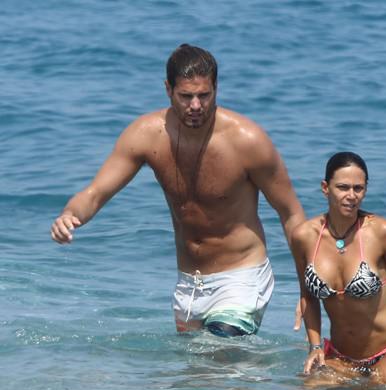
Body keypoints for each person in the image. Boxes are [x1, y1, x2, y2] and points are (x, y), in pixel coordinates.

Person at [50, 44, 305, 337]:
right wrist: (70, 215)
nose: (196, 105)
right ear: (168, 89)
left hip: (241, 278)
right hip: (188, 287)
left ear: (216, 89)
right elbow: (95, 193)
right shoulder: (147, 135)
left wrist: (306, 289)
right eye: (186, 96)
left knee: (218, 352)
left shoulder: (247, 141)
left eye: (204, 95)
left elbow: (291, 214)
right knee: (197, 365)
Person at [292, 152, 386, 384]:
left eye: (358, 188)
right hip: (341, 355)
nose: (351, 196)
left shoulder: (382, 232)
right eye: (343, 187)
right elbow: (308, 297)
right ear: (325, 188)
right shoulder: (304, 236)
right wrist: (315, 346)